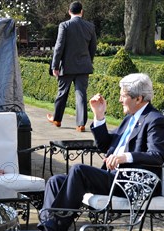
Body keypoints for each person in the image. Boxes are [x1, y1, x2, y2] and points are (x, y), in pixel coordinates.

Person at [38, 73, 164, 231]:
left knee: (79, 170)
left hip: (131, 182)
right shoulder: (130, 118)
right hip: (115, 176)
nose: (120, 100)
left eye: (123, 96)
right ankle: (48, 230)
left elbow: (157, 156)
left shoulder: (155, 120)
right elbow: (106, 145)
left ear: (139, 98)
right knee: (55, 181)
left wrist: (126, 157)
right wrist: (99, 116)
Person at [46, 1, 97, 133]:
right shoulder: (90, 26)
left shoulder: (64, 25)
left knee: (62, 93)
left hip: (67, 67)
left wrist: (55, 66)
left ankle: (57, 119)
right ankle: (81, 124)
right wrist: (88, 61)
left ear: (69, 11)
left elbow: (59, 47)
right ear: (82, 11)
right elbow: (93, 47)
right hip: (83, 67)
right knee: (81, 94)